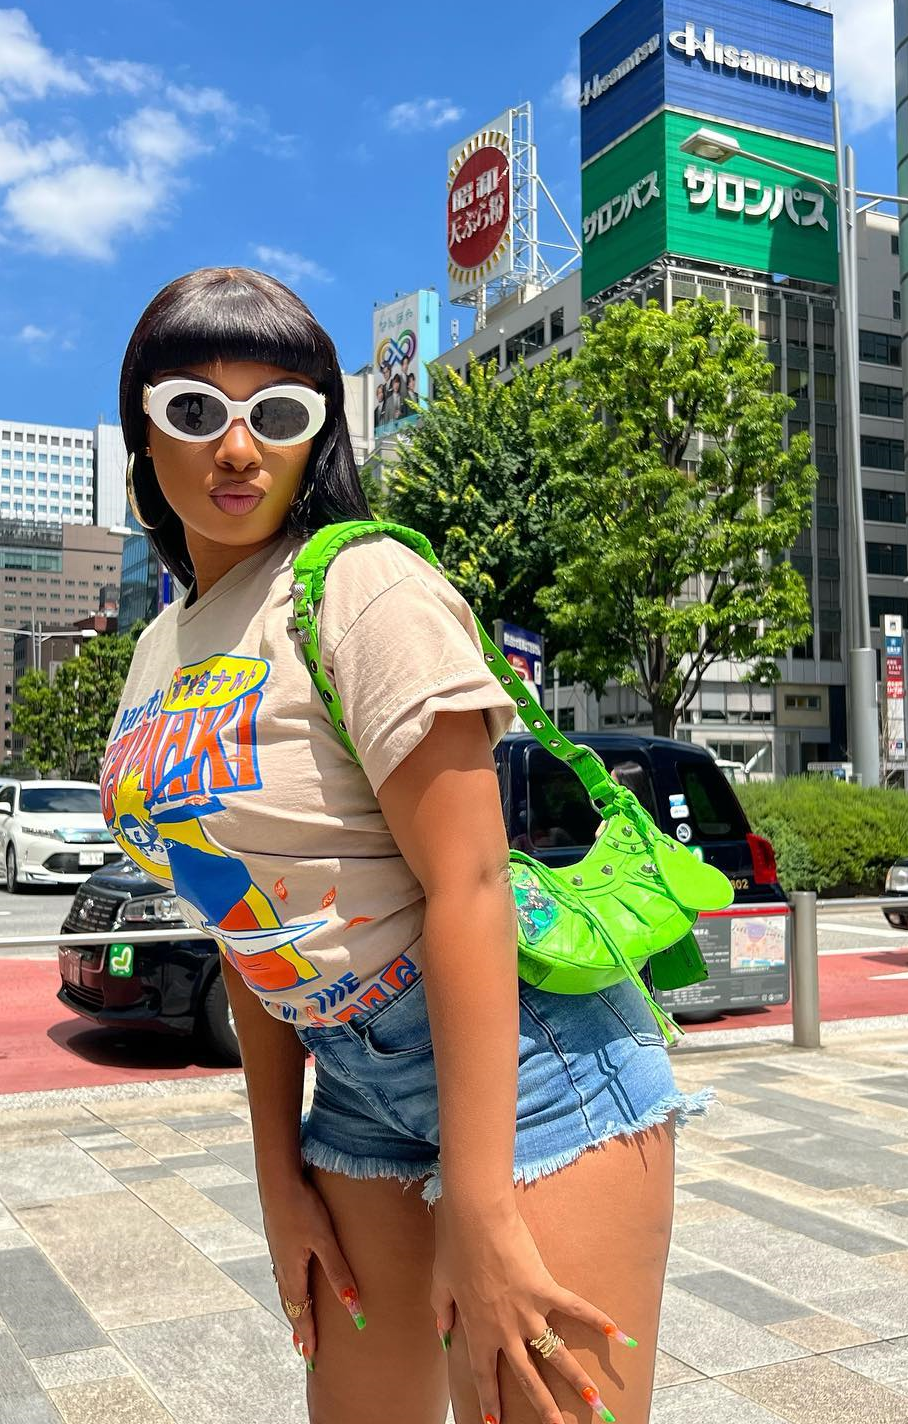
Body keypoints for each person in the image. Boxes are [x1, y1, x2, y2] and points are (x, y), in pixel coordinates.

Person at [101, 267, 709, 1424]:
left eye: (278, 414)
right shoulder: (158, 650)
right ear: (143, 427)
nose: (237, 447)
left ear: (318, 437)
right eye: (195, 409)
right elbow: (245, 913)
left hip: (534, 1076)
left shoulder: (364, 585)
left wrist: (477, 1212)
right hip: (355, 1087)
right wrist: (278, 1179)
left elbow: (470, 883)